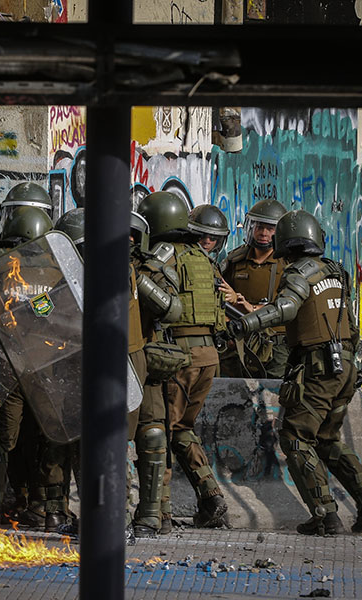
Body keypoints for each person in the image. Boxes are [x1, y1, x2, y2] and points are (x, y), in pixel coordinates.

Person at [227, 209, 362, 535]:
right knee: (326, 439)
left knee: (296, 437)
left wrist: (244, 323)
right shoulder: (336, 271)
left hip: (316, 366)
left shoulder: (298, 273)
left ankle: (324, 516)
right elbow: (350, 323)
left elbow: (286, 308)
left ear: (285, 241)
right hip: (343, 366)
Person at [136, 191, 229, 529]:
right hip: (208, 355)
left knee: (159, 429)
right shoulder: (202, 257)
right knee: (182, 429)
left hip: (179, 355)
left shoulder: (165, 254)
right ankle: (211, 496)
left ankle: (160, 512)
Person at [0, 205, 60, 530]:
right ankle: (48, 509)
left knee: (3, 440)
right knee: (49, 439)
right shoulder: (57, 270)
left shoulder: (0, 266)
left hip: (12, 365)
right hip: (47, 368)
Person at [130, 206, 187, 537]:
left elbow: (173, 310)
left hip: (144, 361)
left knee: (152, 435)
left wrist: (138, 280)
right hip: (105, 362)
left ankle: (151, 513)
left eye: (131, 236)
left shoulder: (150, 269)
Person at [220, 199, 289, 378]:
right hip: (241, 339)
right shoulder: (235, 260)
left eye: (270, 228)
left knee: (274, 394)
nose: (263, 233)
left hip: (276, 341)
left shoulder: (288, 263)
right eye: (259, 227)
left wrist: (254, 309)